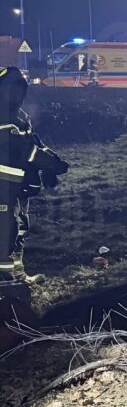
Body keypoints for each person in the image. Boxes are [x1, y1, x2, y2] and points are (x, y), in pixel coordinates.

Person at [0, 67, 68, 288]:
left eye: (20, 90)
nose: (16, 96)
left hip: (17, 187)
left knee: (19, 228)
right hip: (3, 188)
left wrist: (51, 163)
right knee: (4, 231)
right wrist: (47, 163)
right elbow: (19, 149)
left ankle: (18, 276)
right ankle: (5, 281)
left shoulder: (18, 118)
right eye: (10, 90)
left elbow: (35, 143)